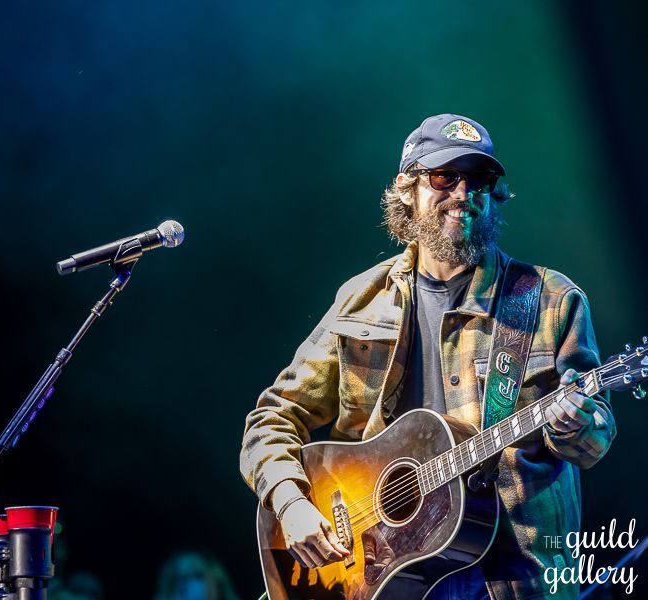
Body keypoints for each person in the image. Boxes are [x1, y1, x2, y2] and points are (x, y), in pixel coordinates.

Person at [239, 113, 616, 599]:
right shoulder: (361, 300)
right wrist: (291, 503)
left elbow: (594, 443)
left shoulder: (548, 300)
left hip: (513, 579)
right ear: (407, 189)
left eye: (478, 179)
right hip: (377, 573)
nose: (463, 192)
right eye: (444, 177)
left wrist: (575, 423)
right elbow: (272, 417)